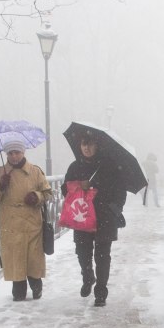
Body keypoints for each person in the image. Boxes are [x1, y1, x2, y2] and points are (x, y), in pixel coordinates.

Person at [62, 130, 128, 307]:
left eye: (90, 144)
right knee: (83, 253)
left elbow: (120, 190)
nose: (86, 147)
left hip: (104, 217)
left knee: (103, 256)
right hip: (82, 217)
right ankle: (88, 276)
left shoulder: (110, 166)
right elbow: (64, 190)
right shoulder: (75, 167)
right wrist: (78, 186)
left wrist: (114, 209)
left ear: (97, 146)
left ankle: (101, 291)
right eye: (83, 144)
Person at [0, 140, 51, 301]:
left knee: (33, 256)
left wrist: (36, 196)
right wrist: (0, 186)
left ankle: (36, 285)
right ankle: (18, 290)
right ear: (6, 155)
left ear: (23, 153)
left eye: (17, 152)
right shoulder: (0, 172)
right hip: (10, 221)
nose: (14, 156)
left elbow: (48, 193)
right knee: (15, 256)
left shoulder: (35, 171)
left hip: (31, 221)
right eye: (10, 153)